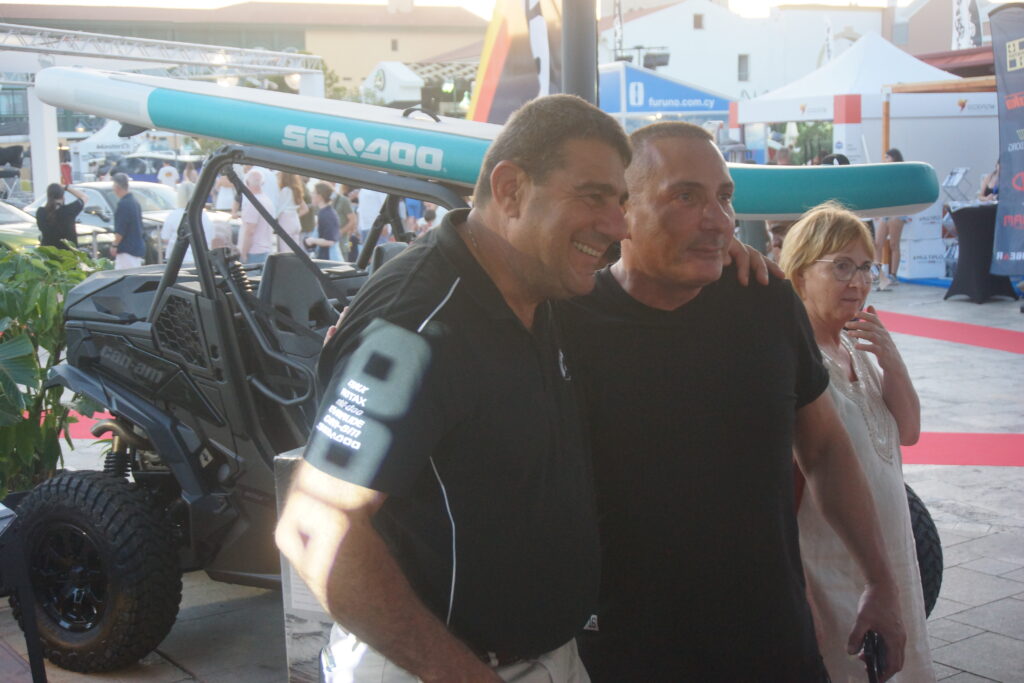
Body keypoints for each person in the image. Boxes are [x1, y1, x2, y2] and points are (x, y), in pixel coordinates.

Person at [275, 94, 632, 683]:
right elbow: (313, 528)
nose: (618, 225)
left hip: (546, 658)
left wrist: (731, 257)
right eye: (593, 197)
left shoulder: (544, 290)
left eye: (621, 202)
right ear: (511, 190)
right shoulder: (414, 327)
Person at [563, 121, 906, 681]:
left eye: (724, 197)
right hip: (626, 649)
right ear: (624, 210)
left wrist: (881, 582)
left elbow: (824, 448)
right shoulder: (567, 320)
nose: (719, 219)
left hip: (771, 637)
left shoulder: (764, 301)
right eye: (685, 196)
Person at [780, 202, 934, 682]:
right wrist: (799, 591)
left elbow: (908, 431)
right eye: (841, 266)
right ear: (801, 274)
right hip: (829, 569)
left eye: (865, 267)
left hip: (889, 560)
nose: (858, 281)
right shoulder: (794, 361)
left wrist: (892, 361)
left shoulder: (854, 346)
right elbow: (780, 489)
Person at [875, 148, 907, 291]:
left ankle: (893, 274)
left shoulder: (901, 174)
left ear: (895, 158)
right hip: (885, 212)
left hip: (897, 211)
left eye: (887, 157)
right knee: (877, 243)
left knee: (894, 244)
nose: (885, 159)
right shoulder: (884, 173)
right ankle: (878, 273)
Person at [110, 173, 147, 269]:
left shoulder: (123, 204)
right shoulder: (134, 202)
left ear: (117, 187)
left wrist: (114, 245)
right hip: (136, 247)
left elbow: (121, 228)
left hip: (127, 249)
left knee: (124, 275)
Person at [238, 169, 275, 264]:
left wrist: (243, 254)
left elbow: (249, 231)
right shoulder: (267, 201)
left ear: (247, 183)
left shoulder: (252, 203)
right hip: (266, 249)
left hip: (253, 252)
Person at [36, 182, 87, 249]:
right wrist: (66, 187)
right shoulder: (69, 210)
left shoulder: (40, 212)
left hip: (48, 252)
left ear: (48, 196)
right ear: (62, 196)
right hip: (68, 252)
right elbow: (84, 197)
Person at [305, 182, 341, 261]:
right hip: (326, 257)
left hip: (330, 260)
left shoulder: (327, 214)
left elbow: (330, 241)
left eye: (314, 193)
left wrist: (312, 240)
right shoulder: (325, 212)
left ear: (320, 196)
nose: (311, 195)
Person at [275, 172, 307, 253]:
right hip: (295, 219)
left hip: (286, 221)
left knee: (285, 251)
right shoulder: (296, 190)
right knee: (295, 251)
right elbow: (304, 208)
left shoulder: (285, 190)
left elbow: (278, 209)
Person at [330, 183, 357, 259]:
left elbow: (353, 220)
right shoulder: (325, 200)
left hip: (343, 242)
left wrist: (340, 232)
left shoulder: (343, 200)